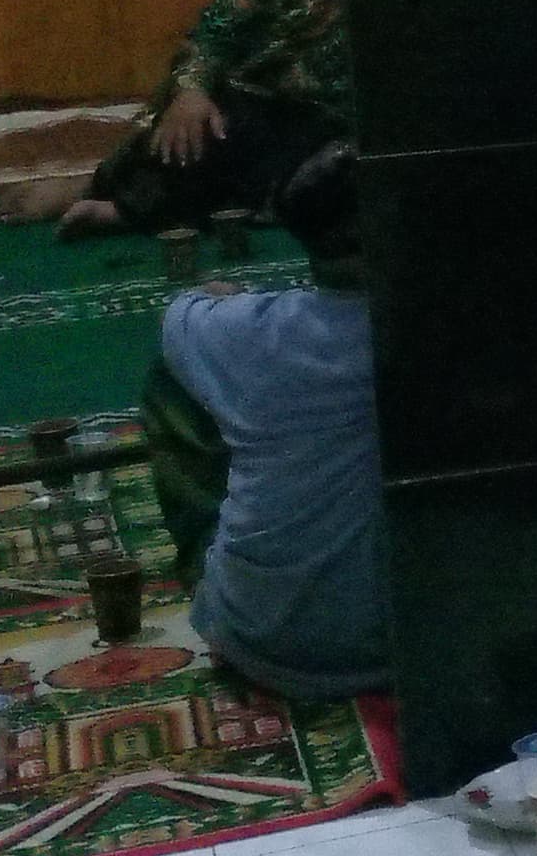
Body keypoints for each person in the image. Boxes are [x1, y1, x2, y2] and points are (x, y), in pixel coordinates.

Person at [147, 140, 389, 700]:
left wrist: (226, 299)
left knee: (172, 379)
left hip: (260, 638)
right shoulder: (463, 324)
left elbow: (174, 319)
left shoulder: (247, 332)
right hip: (434, 636)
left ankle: (202, 554)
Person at [60, 0, 351, 241]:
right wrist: (192, 90)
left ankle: (134, 208)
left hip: (351, 127)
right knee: (214, 123)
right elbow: (214, 34)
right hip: (266, 112)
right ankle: (119, 202)